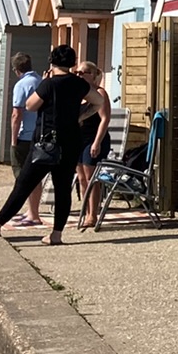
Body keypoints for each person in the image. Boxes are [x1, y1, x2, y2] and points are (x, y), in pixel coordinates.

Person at [0, 45, 89, 245]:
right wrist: (79, 115)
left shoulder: (49, 83)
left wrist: (44, 83)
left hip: (46, 143)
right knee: (62, 189)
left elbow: (30, 105)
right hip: (70, 142)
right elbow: (96, 102)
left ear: (52, 61)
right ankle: (56, 234)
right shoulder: (79, 84)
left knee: (23, 185)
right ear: (72, 62)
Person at [6, 53, 44, 229]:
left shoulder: (22, 85)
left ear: (16, 70)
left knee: (23, 176)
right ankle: (32, 210)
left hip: (26, 136)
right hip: (40, 134)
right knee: (35, 176)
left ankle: (33, 213)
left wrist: (13, 140)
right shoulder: (41, 81)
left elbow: (17, 114)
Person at [73, 62, 112, 231]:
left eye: (84, 72)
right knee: (81, 178)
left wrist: (97, 142)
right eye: (78, 72)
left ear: (93, 74)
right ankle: (85, 211)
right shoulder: (78, 94)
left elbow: (105, 119)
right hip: (79, 139)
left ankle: (92, 215)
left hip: (95, 138)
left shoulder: (99, 92)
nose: (80, 75)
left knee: (91, 177)